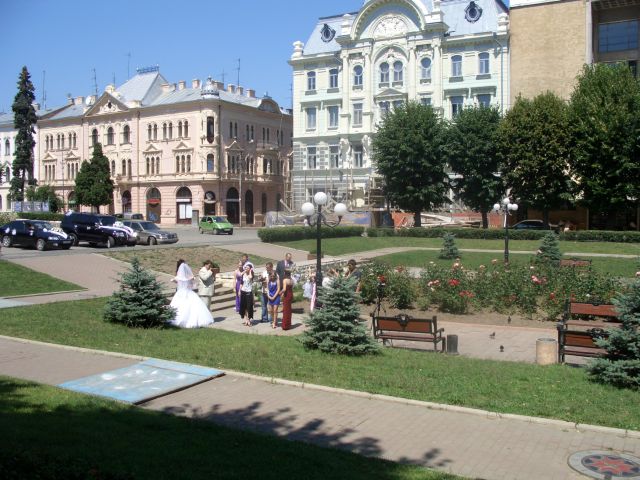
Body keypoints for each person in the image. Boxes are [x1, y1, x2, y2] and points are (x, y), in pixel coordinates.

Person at [169, 259, 214, 328]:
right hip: (188, 292)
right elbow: (191, 285)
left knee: (180, 306)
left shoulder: (178, 277)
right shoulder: (189, 277)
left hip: (180, 293)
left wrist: (175, 281)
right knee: (191, 307)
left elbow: (176, 281)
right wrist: (191, 280)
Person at [239, 262, 255, 326]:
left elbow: (250, 277)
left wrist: (250, 271)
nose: (246, 269)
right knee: (244, 306)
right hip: (243, 291)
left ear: (250, 269)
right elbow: (241, 282)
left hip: (249, 292)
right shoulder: (243, 274)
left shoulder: (251, 275)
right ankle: (246, 319)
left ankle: (248, 319)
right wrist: (239, 291)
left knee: (249, 307)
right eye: (245, 267)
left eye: (247, 268)